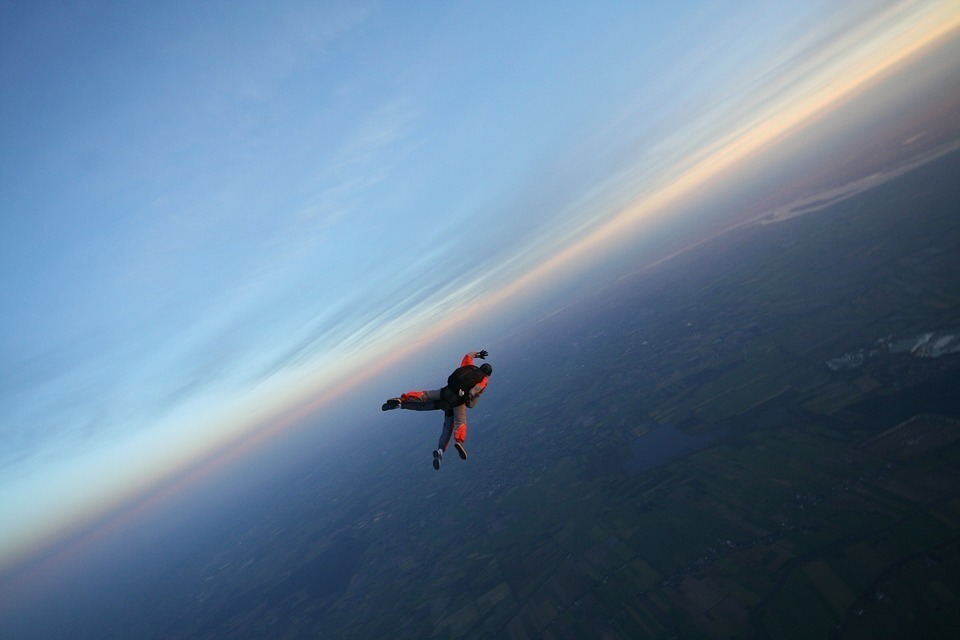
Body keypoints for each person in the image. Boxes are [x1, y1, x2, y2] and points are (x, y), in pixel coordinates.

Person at [382, 350, 492, 470]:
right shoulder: (484, 380)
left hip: (445, 393)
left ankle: (401, 402)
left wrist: (478, 354)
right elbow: (473, 395)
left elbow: (468, 355)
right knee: (454, 425)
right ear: (488, 374)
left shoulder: (469, 366)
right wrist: (470, 398)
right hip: (456, 403)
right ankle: (451, 445)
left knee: (425, 397)